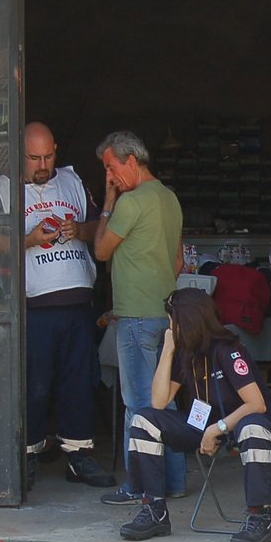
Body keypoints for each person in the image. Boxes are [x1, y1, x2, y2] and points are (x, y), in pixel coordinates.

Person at [0, 123, 114, 491]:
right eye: (34, 158)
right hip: (34, 304)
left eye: (48, 156)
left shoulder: (73, 181)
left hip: (77, 301)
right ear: (18, 154)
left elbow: (99, 229)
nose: (43, 165)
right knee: (36, 385)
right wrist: (29, 239)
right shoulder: (1, 187)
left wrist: (80, 229)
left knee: (78, 382)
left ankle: (79, 457)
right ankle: (26, 457)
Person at [117, 288, 271, 542]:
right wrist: (168, 350)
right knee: (144, 420)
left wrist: (216, 429)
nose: (169, 327)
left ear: (186, 320)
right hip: (208, 423)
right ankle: (154, 510)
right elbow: (159, 402)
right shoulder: (185, 350)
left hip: (254, 423)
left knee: (252, 427)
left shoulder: (227, 348)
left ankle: (260, 517)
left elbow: (256, 404)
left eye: (172, 321)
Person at [93, 131, 187, 506]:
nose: (110, 176)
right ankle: (175, 481)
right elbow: (179, 261)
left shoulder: (130, 203)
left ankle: (139, 484)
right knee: (167, 400)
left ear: (131, 161)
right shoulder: (170, 199)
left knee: (137, 404)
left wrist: (108, 202)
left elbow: (101, 251)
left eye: (111, 168)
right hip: (166, 315)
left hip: (134, 317)